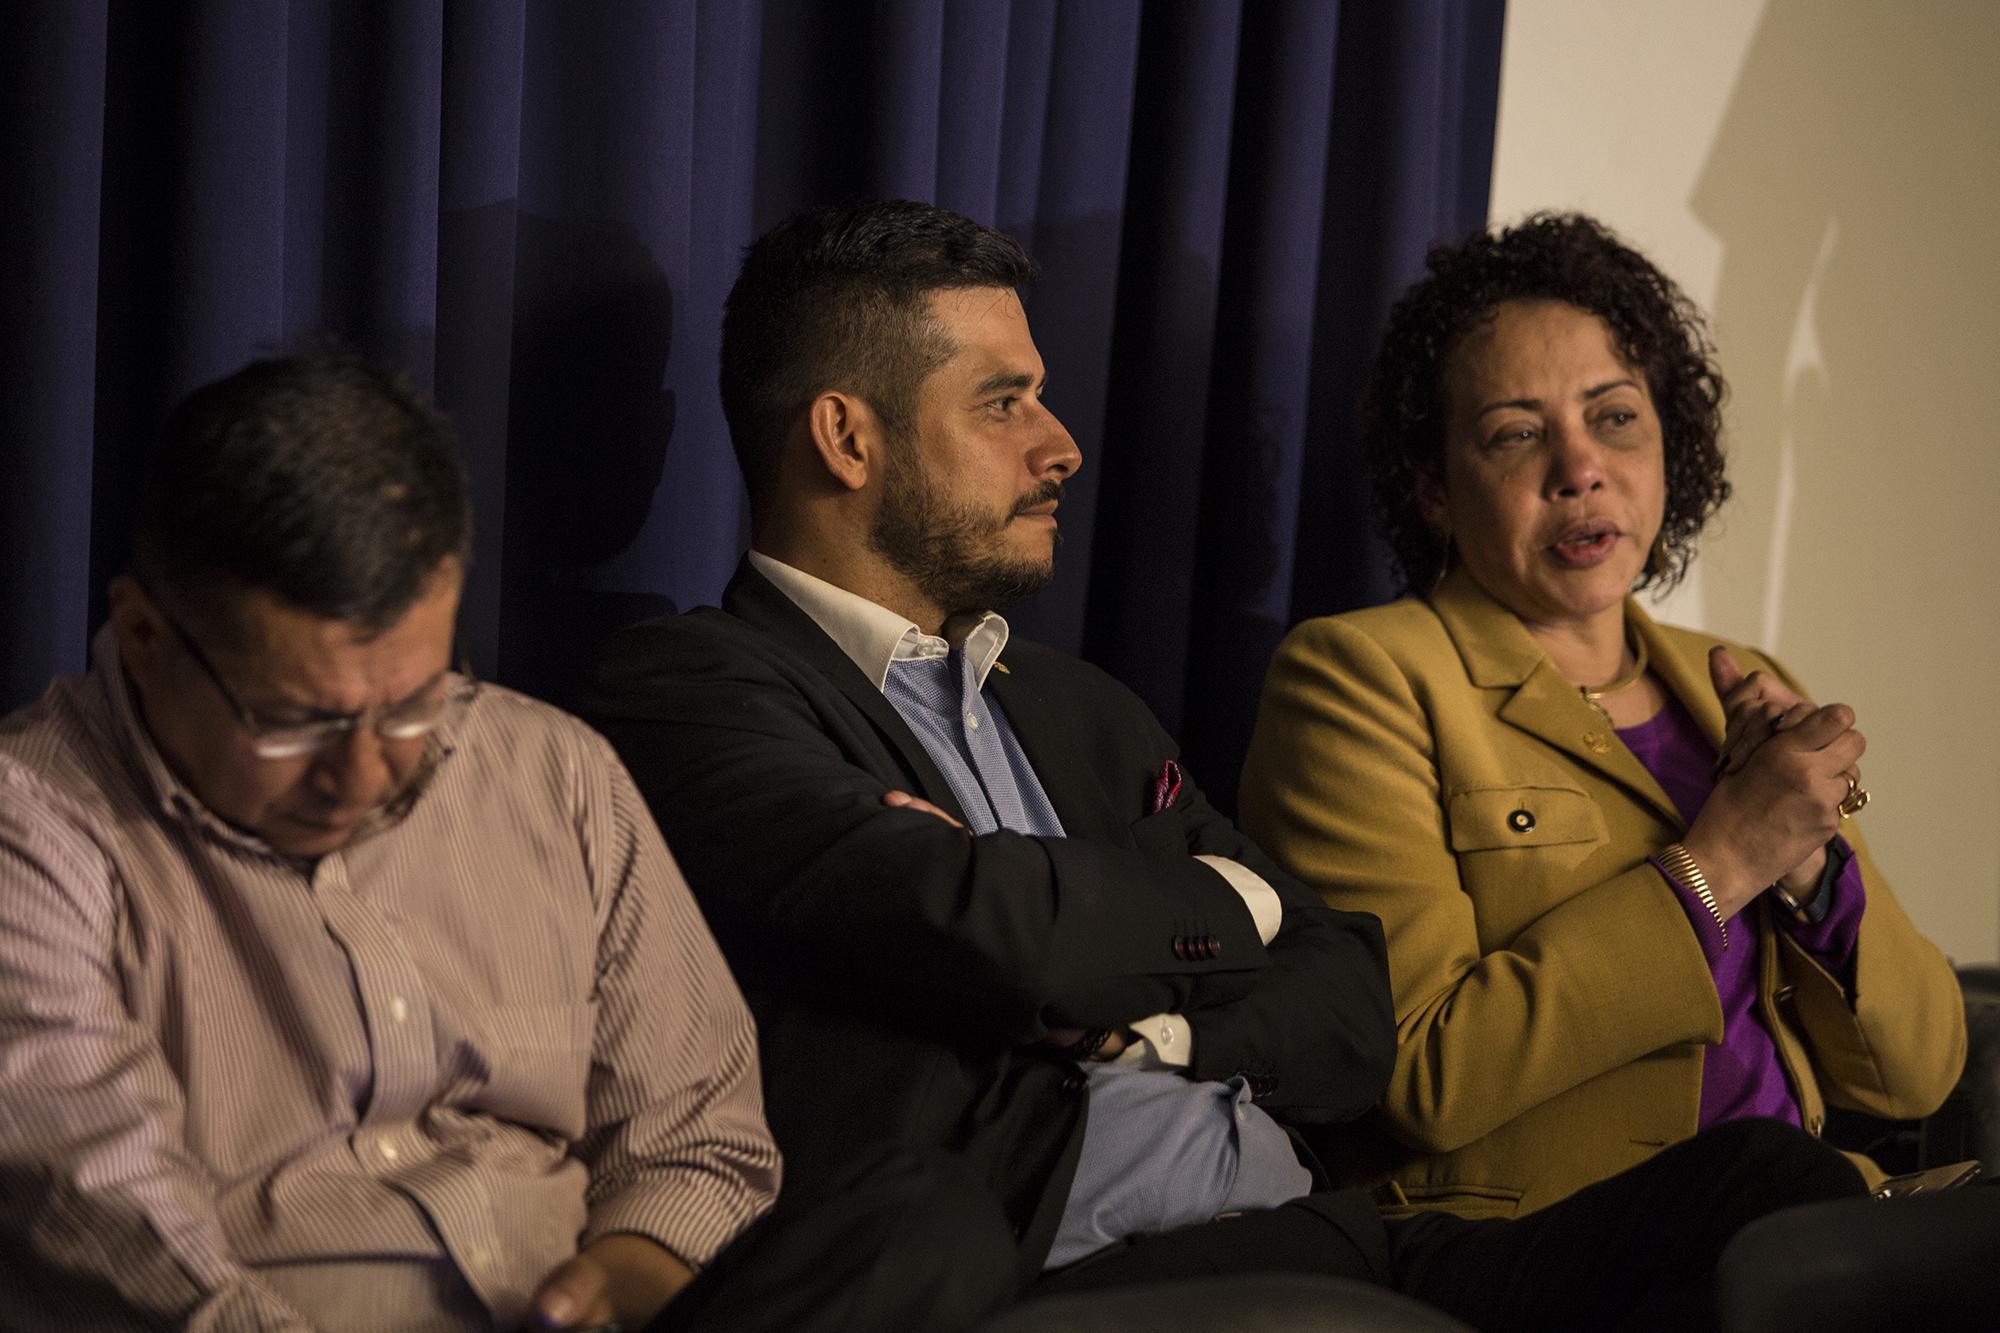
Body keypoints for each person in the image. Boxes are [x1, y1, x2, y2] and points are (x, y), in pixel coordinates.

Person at [585, 199, 1867, 1332]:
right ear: (845, 439)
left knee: (1777, 1199)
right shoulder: (692, 691)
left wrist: (1143, 1016)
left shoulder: (1078, 709)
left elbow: (1350, 1005)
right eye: (1001, 403)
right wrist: (1213, 912)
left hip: (1324, 1226)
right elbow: (978, 921)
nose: (1059, 444)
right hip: (1058, 1268)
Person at [0, 354, 778, 1331]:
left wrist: (624, 1271)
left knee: (917, 1222)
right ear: (145, 634)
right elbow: (106, 1213)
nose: (365, 772)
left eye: (413, 702)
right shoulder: (30, 825)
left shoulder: (551, 768)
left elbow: (696, 1125)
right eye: (292, 722)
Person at [1238, 212, 1966, 1220]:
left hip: (1799, 1227)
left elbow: (1914, 1075)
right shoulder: (1358, 677)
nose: (1577, 467)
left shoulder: (1740, 687)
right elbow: (1419, 1075)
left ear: (1670, 441)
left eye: (1613, 417)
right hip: (1553, 1248)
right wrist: (1720, 866)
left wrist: (1806, 865)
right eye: (1515, 433)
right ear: (1434, 490)